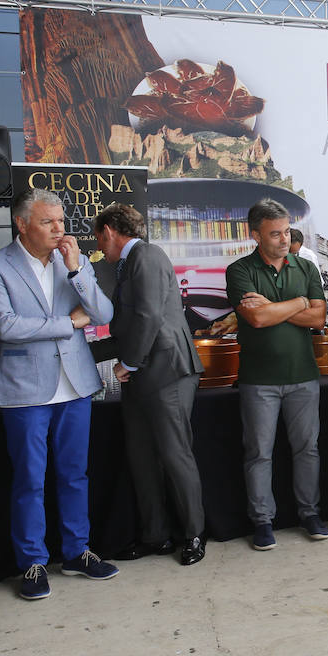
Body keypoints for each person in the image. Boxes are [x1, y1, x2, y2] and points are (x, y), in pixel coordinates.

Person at [0, 188, 118, 600]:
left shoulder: (71, 261)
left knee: (75, 474)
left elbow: (104, 314)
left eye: (61, 221)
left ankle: (77, 551)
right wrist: (68, 324)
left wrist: (76, 271)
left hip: (74, 385)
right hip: (25, 390)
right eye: (47, 222)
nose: (59, 229)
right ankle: (33, 563)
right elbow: (5, 327)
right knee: (29, 480)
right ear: (22, 224)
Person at [94, 203, 207, 565]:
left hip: (166, 370)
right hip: (142, 373)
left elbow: (148, 316)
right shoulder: (129, 264)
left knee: (175, 455)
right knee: (141, 458)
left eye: (99, 238)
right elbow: (127, 326)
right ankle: (154, 536)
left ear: (110, 231)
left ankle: (193, 534)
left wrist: (129, 362)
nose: (99, 247)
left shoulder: (147, 255)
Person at [225, 198, 328, 550]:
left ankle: (310, 513)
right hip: (258, 379)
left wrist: (275, 307)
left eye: (286, 231)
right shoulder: (239, 271)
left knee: (307, 449)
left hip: (303, 374)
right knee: (259, 452)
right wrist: (300, 302)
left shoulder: (306, 268)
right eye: (275, 234)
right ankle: (262, 521)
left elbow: (319, 319)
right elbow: (255, 319)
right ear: (255, 235)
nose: (284, 239)